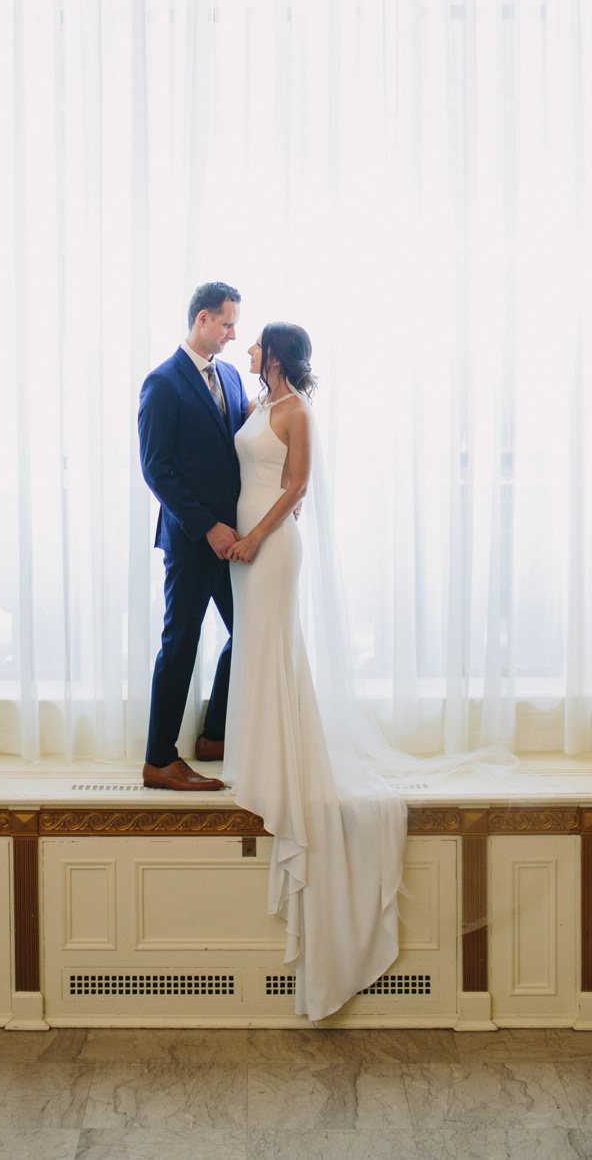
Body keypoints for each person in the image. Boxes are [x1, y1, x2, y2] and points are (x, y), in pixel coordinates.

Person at [223, 321, 407, 1022]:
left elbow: (297, 484)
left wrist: (255, 535)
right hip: (242, 540)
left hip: (271, 544)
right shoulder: (253, 406)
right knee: (257, 650)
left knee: (274, 645)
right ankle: (260, 757)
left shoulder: (297, 410)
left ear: (276, 353)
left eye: (255, 345)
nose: (247, 352)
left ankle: (285, 771)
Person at [138, 282, 251, 791]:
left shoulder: (229, 375)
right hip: (190, 542)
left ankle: (214, 735)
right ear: (202, 319)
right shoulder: (162, 383)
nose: (232, 335)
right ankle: (159, 759)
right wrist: (207, 526)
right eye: (227, 324)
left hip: (235, 541)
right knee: (179, 645)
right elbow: (157, 470)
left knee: (248, 633)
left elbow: (240, 455)